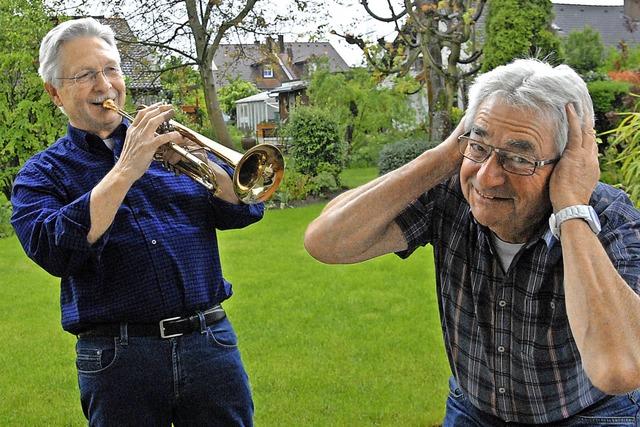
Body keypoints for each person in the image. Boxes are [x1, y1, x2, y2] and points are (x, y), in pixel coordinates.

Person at [304, 58, 640, 425]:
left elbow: (619, 370)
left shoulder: (610, 219)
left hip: (588, 414)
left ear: (566, 163)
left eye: (519, 158)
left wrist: (571, 208)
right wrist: (447, 155)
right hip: (475, 409)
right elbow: (327, 241)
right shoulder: (451, 195)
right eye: (479, 147)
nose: (488, 177)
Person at [10, 17, 262, 426]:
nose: (105, 85)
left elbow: (244, 208)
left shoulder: (165, 148)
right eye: (86, 75)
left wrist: (200, 166)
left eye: (111, 69)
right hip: (118, 359)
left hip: (209, 343)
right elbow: (53, 250)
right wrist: (125, 170)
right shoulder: (41, 174)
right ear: (54, 93)